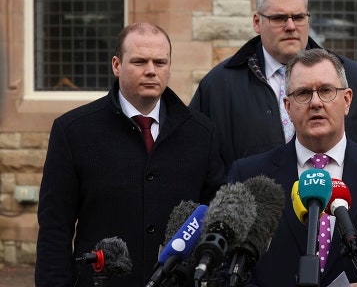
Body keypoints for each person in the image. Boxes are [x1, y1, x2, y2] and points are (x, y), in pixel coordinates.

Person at [35, 22, 226, 287]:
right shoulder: (73, 131)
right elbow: (55, 227)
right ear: (116, 65)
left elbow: (214, 220)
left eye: (160, 62)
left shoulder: (201, 133)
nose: (151, 71)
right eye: (139, 61)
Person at [226, 49, 357, 287]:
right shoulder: (248, 176)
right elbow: (228, 268)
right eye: (303, 93)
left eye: (326, 90)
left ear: (347, 100)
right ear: (287, 107)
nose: (315, 103)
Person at [189, 0, 357, 176]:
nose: (291, 26)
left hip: (341, 204)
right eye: (279, 18)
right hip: (255, 204)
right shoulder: (219, 86)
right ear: (257, 22)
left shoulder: (350, 76)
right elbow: (197, 164)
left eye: (299, 17)